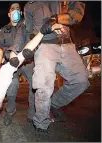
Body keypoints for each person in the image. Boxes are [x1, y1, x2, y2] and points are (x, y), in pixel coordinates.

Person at [0, 19, 62, 120]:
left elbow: (26, 51)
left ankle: (13, 113)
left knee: (14, 84)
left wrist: (42, 32)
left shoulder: (7, 69)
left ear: (2, 60)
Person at [24, 0, 90, 138]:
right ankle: (41, 123)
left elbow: (77, 13)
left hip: (66, 44)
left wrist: (55, 19)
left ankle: (55, 103)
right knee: (43, 84)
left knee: (81, 80)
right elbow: (29, 31)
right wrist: (32, 48)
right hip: (44, 46)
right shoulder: (30, 5)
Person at [0, 2, 35, 126]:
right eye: (13, 9)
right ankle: (10, 111)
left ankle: (32, 112)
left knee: (35, 84)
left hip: (27, 61)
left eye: (18, 9)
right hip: (10, 63)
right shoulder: (3, 30)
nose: (15, 11)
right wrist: (4, 55)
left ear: (21, 12)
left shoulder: (28, 26)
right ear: (9, 13)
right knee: (12, 85)